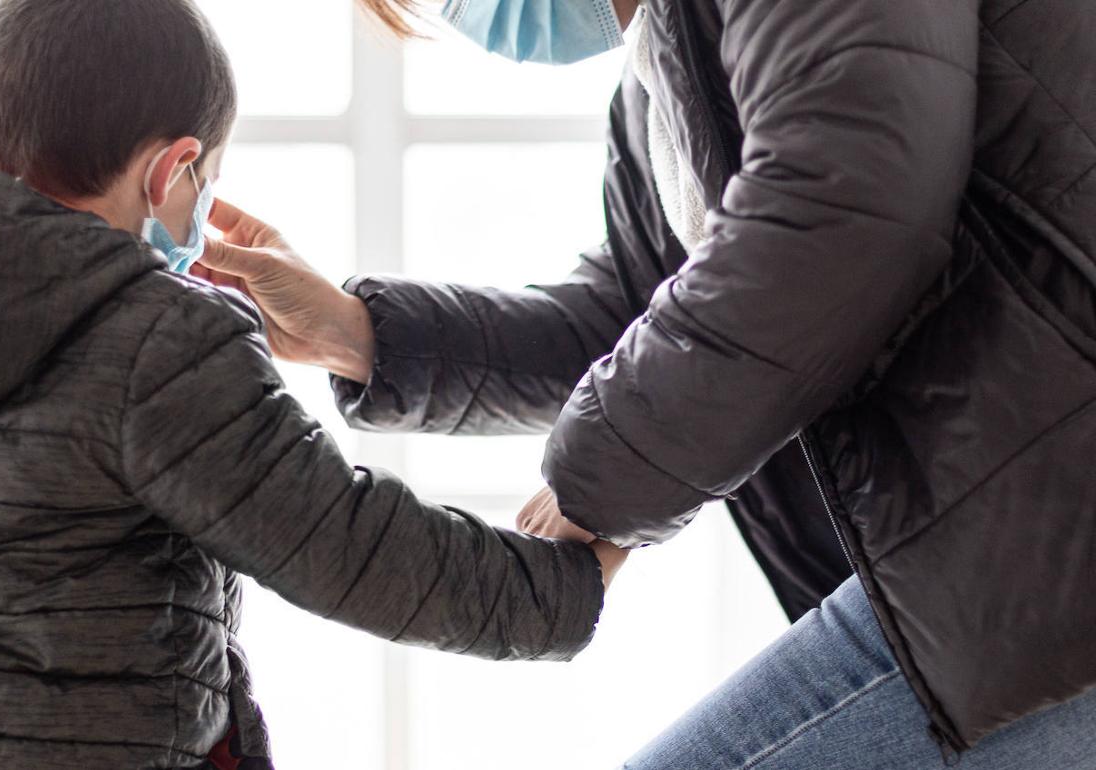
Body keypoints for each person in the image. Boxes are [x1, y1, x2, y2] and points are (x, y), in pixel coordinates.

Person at [198, 0, 1096, 766]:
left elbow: (844, 214)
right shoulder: (663, 82)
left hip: (1038, 547)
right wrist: (356, 334)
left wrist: (597, 485)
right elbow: (633, 317)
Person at [0, 1, 628, 768]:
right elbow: (350, 548)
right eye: (207, 184)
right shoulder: (159, 342)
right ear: (169, 170)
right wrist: (561, 586)